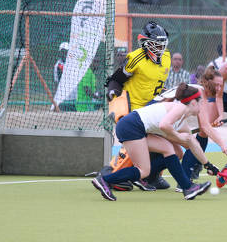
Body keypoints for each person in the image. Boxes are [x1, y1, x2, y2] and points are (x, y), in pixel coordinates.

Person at [91, 84, 219, 201]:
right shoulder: (179, 108)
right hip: (130, 127)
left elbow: (192, 143)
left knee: (170, 149)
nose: (203, 106)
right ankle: (104, 180)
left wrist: (208, 165)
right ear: (192, 103)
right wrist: (179, 137)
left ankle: (188, 188)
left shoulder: (181, 119)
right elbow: (164, 125)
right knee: (143, 171)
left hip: (138, 128)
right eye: (201, 102)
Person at [104, 21, 171, 190]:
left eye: (162, 44)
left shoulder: (167, 58)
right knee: (138, 143)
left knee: (165, 140)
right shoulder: (135, 58)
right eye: (155, 45)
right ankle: (112, 174)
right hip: (134, 108)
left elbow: (155, 82)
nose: (159, 49)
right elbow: (116, 79)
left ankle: (151, 177)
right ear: (145, 44)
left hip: (153, 106)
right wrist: (112, 93)